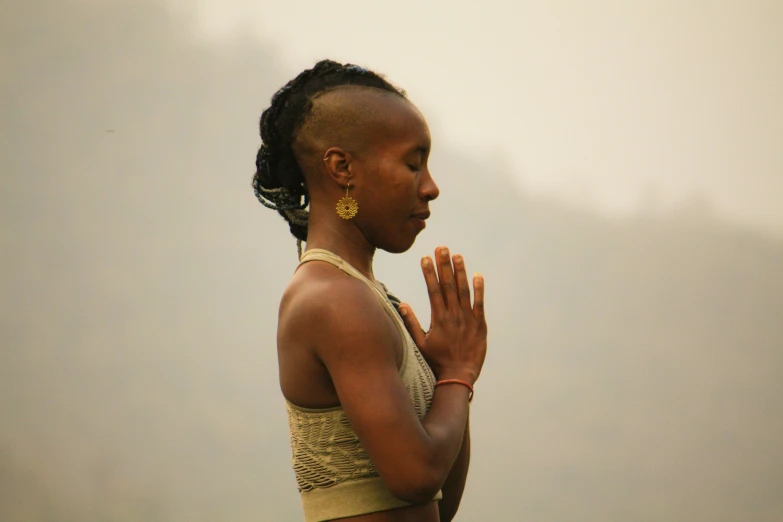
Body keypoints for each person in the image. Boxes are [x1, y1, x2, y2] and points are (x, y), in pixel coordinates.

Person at [252, 60, 488, 522]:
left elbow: (437, 501)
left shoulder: (369, 297)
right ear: (342, 167)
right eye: (412, 163)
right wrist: (459, 373)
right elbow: (416, 476)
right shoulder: (336, 300)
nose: (431, 187)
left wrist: (448, 380)